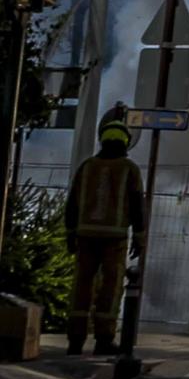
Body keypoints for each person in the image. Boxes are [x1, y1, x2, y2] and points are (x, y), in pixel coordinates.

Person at [62, 107, 146, 356]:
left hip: (85, 236)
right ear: (126, 142)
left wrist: (70, 233)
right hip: (115, 239)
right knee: (110, 288)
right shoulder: (129, 169)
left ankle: (75, 340)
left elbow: (72, 204)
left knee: (81, 286)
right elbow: (138, 206)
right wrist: (140, 237)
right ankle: (103, 339)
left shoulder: (87, 167)